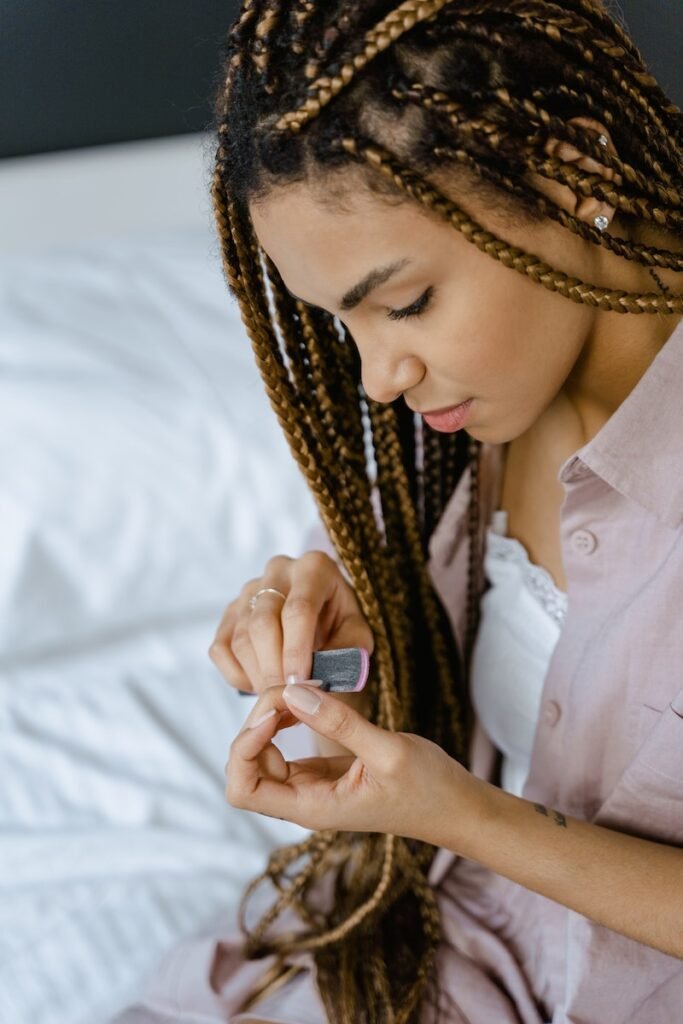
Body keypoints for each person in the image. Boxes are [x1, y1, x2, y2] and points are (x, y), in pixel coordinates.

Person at [110, 1, 682, 1021]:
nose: (377, 378)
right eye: (343, 322)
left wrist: (461, 816)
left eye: (404, 302)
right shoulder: (461, 423)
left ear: (567, 164)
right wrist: (361, 651)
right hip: (452, 953)